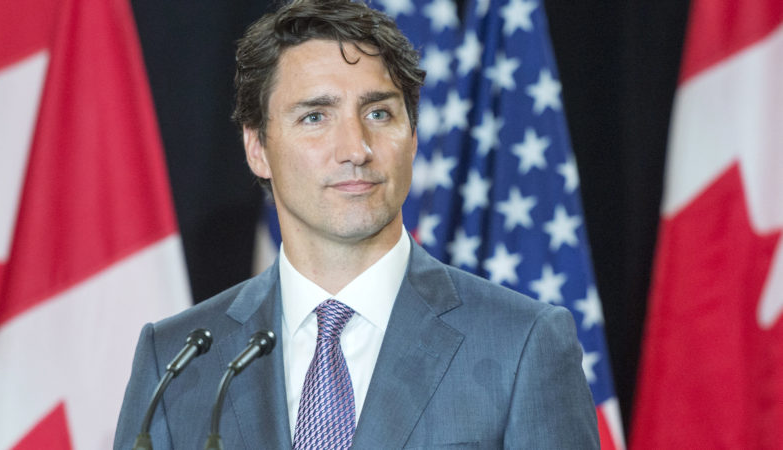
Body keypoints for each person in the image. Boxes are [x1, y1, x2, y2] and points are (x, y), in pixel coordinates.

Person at [113, 0, 599, 448]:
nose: (355, 148)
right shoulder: (178, 360)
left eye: (379, 113)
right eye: (315, 117)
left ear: (412, 138)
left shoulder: (523, 343)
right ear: (257, 148)